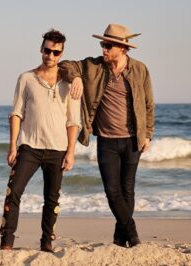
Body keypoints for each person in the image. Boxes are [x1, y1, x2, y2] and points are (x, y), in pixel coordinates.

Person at [59, 23, 155, 248]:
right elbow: (65, 65)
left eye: (108, 45)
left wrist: (148, 133)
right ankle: (131, 233)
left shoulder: (140, 69)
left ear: (122, 48)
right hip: (106, 141)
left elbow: (149, 104)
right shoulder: (94, 66)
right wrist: (76, 78)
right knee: (112, 191)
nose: (103, 48)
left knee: (127, 189)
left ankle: (120, 238)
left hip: (133, 139)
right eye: (102, 44)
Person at [0, 29, 81, 253]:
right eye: (47, 50)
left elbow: (73, 121)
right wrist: (12, 146)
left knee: (52, 199)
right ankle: (6, 242)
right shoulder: (26, 78)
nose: (50, 56)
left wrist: (71, 151)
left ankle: (47, 241)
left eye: (56, 52)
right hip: (29, 147)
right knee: (13, 191)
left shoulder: (70, 83)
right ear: (41, 49)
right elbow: (16, 113)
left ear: (61, 54)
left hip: (57, 149)